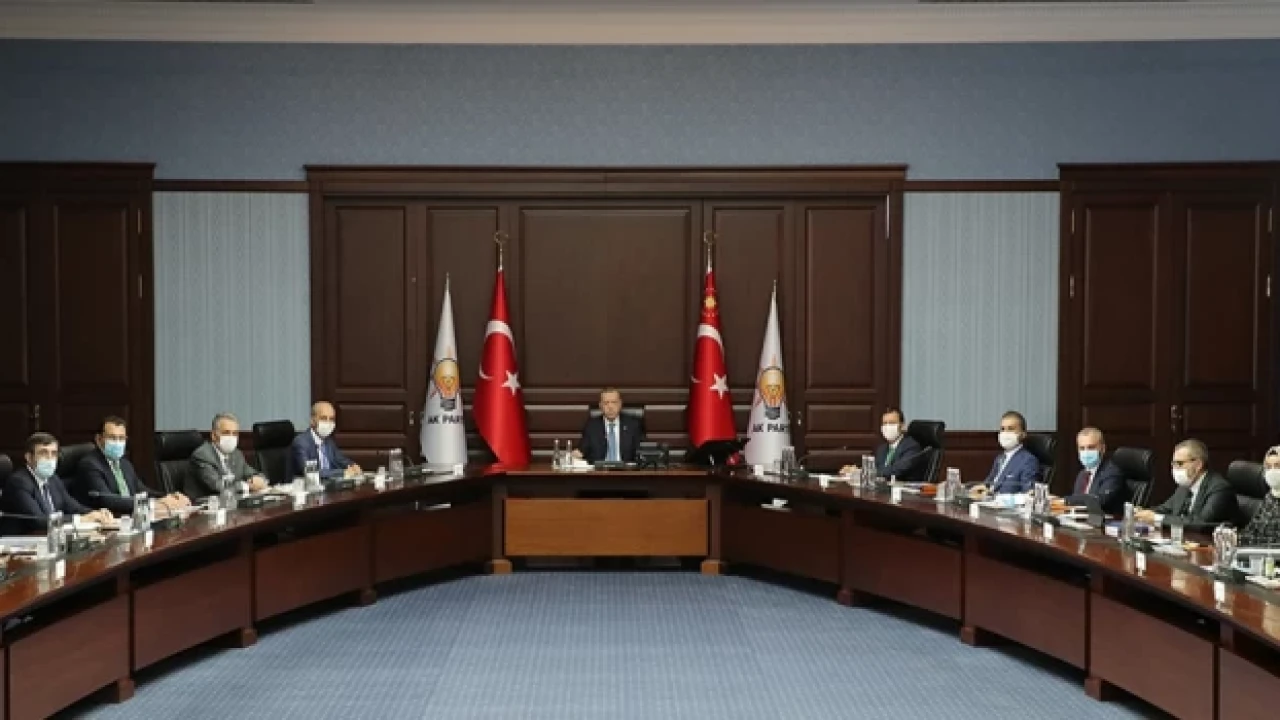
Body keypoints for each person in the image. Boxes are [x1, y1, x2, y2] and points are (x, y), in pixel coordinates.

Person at [0, 432, 113, 535]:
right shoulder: (19, 482)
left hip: (47, 538)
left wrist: (97, 513)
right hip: (19, 541)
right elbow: (38, 521)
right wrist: (81, 519)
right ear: (29, 457)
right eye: (43, 453)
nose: (50, 459)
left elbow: (73, 507)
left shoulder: (53, 479)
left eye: (54, 454)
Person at [73, 416, 190, 515]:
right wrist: (154, 504)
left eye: (121, 438)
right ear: (99, 439)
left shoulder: (124, 463)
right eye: (112, 438)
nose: (117, 443)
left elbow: (142, 490)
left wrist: (168, 497)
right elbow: (107, 500)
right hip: (107, 521)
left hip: (131, 518)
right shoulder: (90, 465)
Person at [1135, 439, 1237, 532]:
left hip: (1209, 542)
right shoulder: (1185, 485)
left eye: (1179, 463)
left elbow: (1200, 524)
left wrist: (1156, 518)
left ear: (1198, 465)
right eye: (1173, 464)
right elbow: (1165, 509)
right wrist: (1142, 513)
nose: (1174, 469)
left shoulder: (1219, 488)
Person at [187, 412, 269, 499]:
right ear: (214, 435)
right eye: (226, 433)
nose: (231, 437)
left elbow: (254, 474)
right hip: (202, 505)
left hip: (231, 502)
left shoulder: (237, 454)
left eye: (235, 433)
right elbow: (218, 486)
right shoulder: (202, 455)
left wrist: (259, 480)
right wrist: (247, 486)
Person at [839, 408, 927, 482]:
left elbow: (896, 470)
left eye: (892, 423)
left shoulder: (911, 447)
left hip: (905, 494)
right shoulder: (882, 448)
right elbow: (875, 468)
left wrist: (862, 472)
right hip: (884, 490)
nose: (887, 426)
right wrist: (853, 470)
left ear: (902, 426)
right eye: (884, 423)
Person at [973, 410, 1040, 495]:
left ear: (1023, 434)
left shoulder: (1028, 461)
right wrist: (978, 490)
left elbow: (1028, 495)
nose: (1005, 433)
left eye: (1010, 429)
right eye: (1002, 429)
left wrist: (992, 495)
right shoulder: (1000, 458)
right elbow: (988, 484)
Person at [290, 401, 361, 480]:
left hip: (330, 484)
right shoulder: (301, 442)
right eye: (323, 418)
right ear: (312, 420)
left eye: (331, 419)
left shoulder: (328, 441)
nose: (328, 422)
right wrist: (342, 472)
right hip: (308, 485)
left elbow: (340, 460)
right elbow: (311, 472)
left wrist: (352, 466)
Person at [1067, 427, 1128, 514]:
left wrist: (1065, 500)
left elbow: (1099, 501)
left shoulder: (1112, 473)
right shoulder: (1082, 474)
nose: (1086, 452)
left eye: (1091, 447)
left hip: (1106, 520)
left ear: (1103, 449)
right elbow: (1076, 501)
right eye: (1082, 448)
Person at [575, 388, 645, 462]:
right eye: (606, 403)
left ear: (620, 404)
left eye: (614, 402)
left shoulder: (633, 425)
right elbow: (582, 451)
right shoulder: (592, 426)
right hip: (600, 468)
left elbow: (641, 451)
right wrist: (575, 455)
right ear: (600, 406)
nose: (610, 407)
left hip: (625, 468)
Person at [1239, 446, 1280, 546]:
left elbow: (1275, 540)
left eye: (1278, 466)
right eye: (1268, 467)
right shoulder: (1270, 496)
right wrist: (1234, 537)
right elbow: (1252, 529)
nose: (1272, 471)